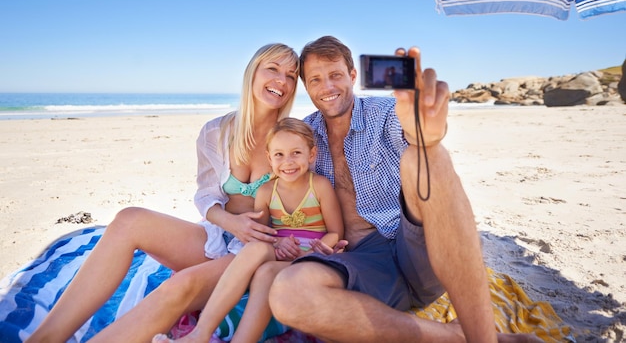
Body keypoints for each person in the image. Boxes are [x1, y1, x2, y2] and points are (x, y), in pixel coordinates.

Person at [268, 36, 542, 342]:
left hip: (417, 249)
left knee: (425, 156)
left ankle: (483, 339)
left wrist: (426, 132)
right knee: (288, 295)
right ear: (307, 87)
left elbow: (412, 130)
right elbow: (274, 182)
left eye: (335, 75)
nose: (327, 87)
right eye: (316, 79)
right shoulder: (304, 135)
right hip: (362, 264)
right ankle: (455, 338)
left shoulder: (384, 112)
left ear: (352, 76)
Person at [25, 43, 300, 343]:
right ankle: (46, 337)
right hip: (219, 238)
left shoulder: (292, 138)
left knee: (179, 286)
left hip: (258, 253)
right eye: (272, 69)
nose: (281, 81)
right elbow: (206, 197)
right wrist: (231, 223)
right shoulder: (216, 131)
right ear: (252, 73)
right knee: (129, 219)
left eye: (291, 75)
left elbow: (308, 201)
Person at [153, 117, 343, 343]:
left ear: (311, 155)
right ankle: (201, 333)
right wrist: (277, 244)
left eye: (296, 153)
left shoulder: (319, 186)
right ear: (269, 159)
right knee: (254, 249)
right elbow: (263, 235)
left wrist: (319, 249)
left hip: (312, 255)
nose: (288, 162)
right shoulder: (266, 192)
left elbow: (335, 231)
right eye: (279, 155)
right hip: (281, 253)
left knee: (265, 273)